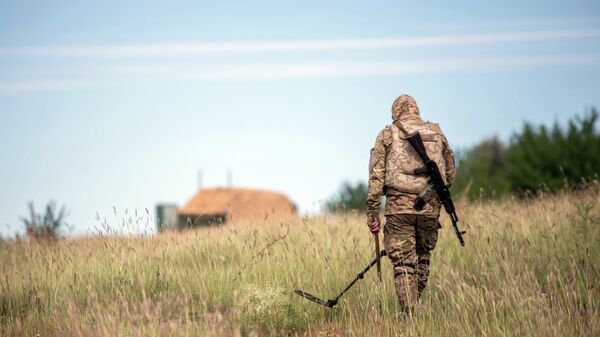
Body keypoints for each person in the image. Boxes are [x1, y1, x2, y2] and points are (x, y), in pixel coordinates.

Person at [366, 94, 456, 312]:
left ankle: (409, 315)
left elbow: (376, 176)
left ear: (395, 112)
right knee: (423, 258)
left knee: (404, 264)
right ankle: (414, 306)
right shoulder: (437, 133)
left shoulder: (387, 134)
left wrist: (372, 213)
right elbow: (450, 174)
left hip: (398, 208)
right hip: (429, 208)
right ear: (416, 110)